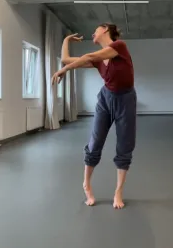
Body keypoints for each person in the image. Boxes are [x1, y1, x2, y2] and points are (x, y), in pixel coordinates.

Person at [52, 23, 136, 209]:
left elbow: (86, 57)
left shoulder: (119, 47)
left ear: (105, 30)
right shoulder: (99, 60)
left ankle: (118, 192)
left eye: (96, 29)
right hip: (106, 99)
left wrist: (64, 70)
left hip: (126, 100)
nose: (93, 32)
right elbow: (66, 59)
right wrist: (66, 40)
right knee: (95, 142)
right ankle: (86, 184)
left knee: (125, 144)